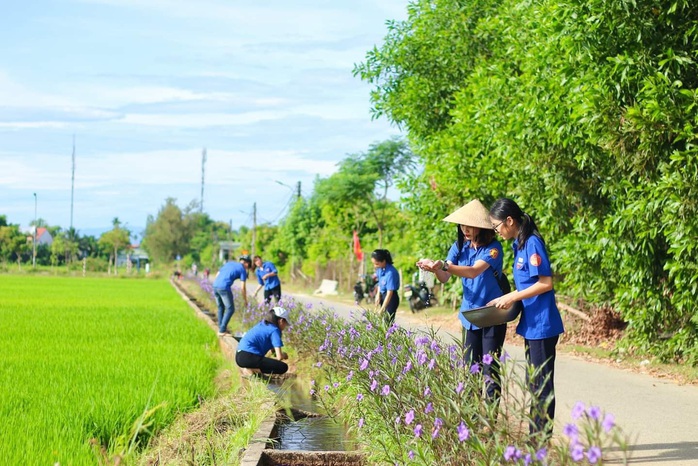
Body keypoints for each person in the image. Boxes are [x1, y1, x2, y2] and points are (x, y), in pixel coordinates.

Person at [487, 198, 564, 441]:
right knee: (535, 382)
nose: (496, 231)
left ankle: (539, 440)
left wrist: (512, 296)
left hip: (542, 324)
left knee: (541, 384)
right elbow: (525, 286)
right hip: (531, 325)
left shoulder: (532, 243)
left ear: (509, 221)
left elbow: (545, 283)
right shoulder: (519, 245)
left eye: (497, 226)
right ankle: (536, 436)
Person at [417, 199, 506, 400]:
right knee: (470, 369)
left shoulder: (493, 248)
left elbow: (473, 272)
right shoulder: (458, 247)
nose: (465, 229)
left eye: (469, 226)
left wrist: (443, 266)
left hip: (492, 314)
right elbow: (445, 278)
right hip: (469, 316)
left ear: (481, 227)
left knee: (489, 370)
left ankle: (490, 421)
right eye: (462, 225)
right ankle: (472, 419)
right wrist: (435, 268)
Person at [235, 306, 290, 376]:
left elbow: (274, 351)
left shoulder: (263, 325)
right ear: (281, 321)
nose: (285, 326)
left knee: (267, 362)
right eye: (286, 323)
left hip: (239, 356)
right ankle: (253, 370)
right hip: (248, 357)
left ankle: (251, 369)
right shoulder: (275, 330)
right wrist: (284, 355)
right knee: (283, 367)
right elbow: (279, 357)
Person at [212, 255, 251, 336]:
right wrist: (245, 300)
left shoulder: (229, 263)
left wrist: (217, 285)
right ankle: (222, 330)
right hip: (224, 287)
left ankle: (221, 328)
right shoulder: (242, 269)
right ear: (247, 264)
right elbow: (243, 287)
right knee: (230, 309)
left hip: (215, 285)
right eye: (248, 266)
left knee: (221, 307)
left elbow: (217, 274)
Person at [371, 249, 400, 324]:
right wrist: (378, 295)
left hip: (391, 298)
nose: (375, 266)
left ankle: (390, 335)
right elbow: (380, 283)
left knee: (388, 322)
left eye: (376, 264)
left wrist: (382, 309)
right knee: (381, 321)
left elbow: (390, 292)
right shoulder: (380, 269)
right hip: (383, 295)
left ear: (383, 261)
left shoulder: (391, 272)